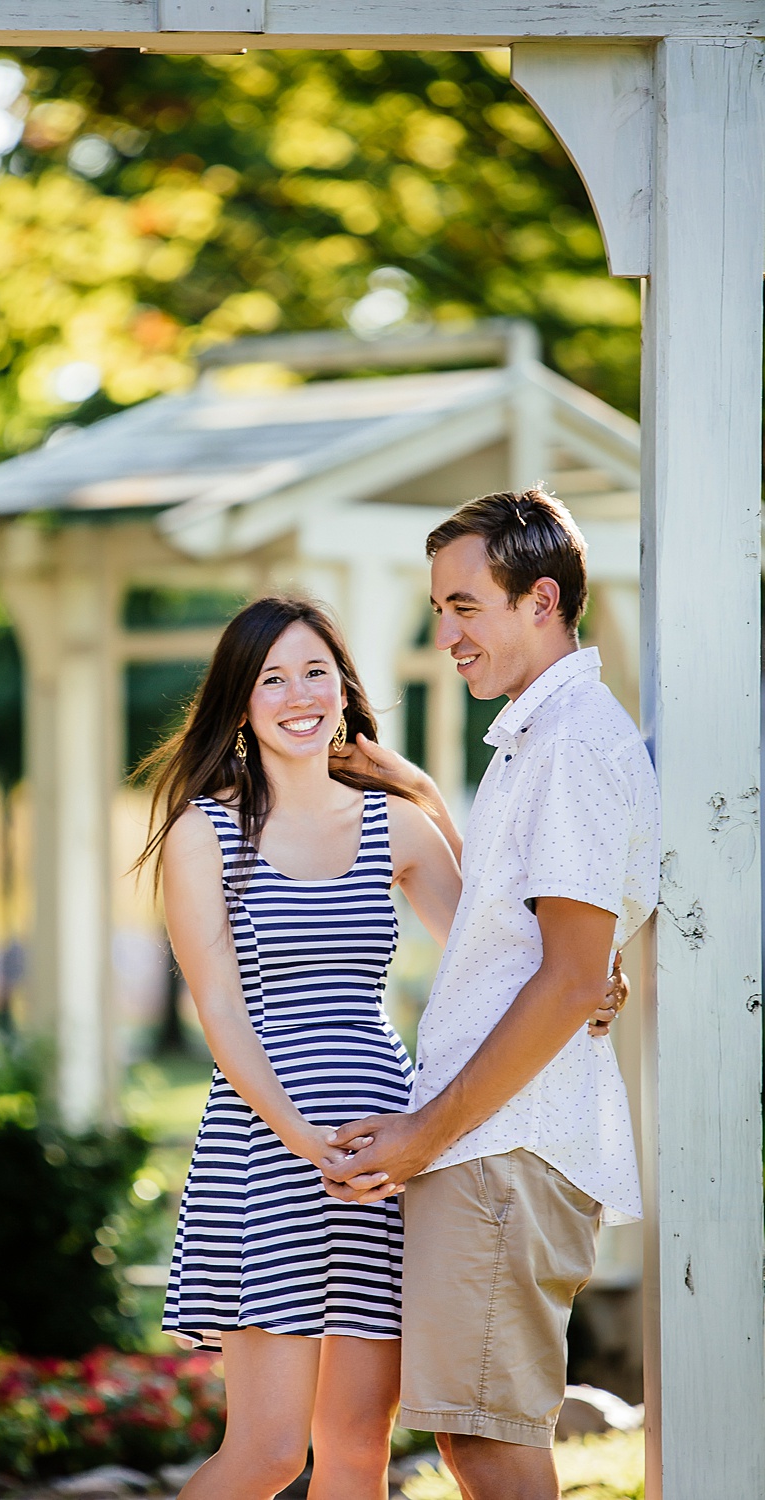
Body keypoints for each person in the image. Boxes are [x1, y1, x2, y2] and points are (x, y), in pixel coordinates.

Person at [135, 590, 625, 1500]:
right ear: (240, 702)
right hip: (268, 1152)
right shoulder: (203, 834)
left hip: (384, 1154)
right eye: (272, 677)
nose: (298, 694)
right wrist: (301, 1138)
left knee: (359, 1450)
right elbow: (223, 1017)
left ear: (344, 686)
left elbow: (502, 949)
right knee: (271, 1452)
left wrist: (592, 976)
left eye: (315, 670)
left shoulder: (392, 824)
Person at [322, 489, 660, 1500]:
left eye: (466, 606)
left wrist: (424, 1133)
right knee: (477, 1436)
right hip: (496, 1147)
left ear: (540, 601)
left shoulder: (566, 749)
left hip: (501, 1150)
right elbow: (524, 944)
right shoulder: (540, 739)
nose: (448, 634)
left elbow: (565, 982)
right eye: (439, 609)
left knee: (487, 1443)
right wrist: (423, 798)